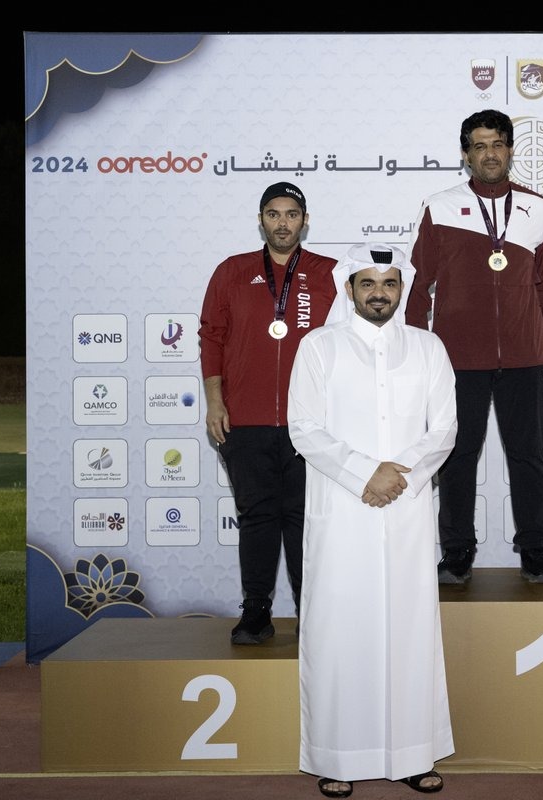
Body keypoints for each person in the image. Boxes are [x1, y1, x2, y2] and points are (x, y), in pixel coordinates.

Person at [288, 243, 457, 797]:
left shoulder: (429, 348)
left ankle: (412, 753)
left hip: (405, 509)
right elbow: (304, 427)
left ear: (402, 289)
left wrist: (397, 476)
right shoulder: (319, 347)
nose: (379, 293)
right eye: (368, 283)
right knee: (341, 631)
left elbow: (444, 429)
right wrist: (366, 473)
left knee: (409, 631)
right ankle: (338, 756)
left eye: (389, 283)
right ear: (349, 289)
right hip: (343, 509)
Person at [404, 108, 543, 585]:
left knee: (529, 457)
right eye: (479, 146)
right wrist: (415, 343)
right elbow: (417, 282)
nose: (489, 154)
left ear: (511, 150)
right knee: (457, 457)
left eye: (497, 144)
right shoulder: (439, 206)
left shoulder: (536, 207)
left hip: (524, 356)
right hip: (458, 358)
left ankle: (535, 551)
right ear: (465, 154)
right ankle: (457, 553)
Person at [199, 181, 341, 645]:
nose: (283, 223)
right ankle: (256, 612)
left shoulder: (330, 273)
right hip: (246, 419)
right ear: (260, 220)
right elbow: (212, 336)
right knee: (257, 518)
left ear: (305, 221)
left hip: (311, 423)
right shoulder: (232, 271)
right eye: (274, 214)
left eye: (292, 214)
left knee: (304, 520)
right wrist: (215, 400)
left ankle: (310, 613)